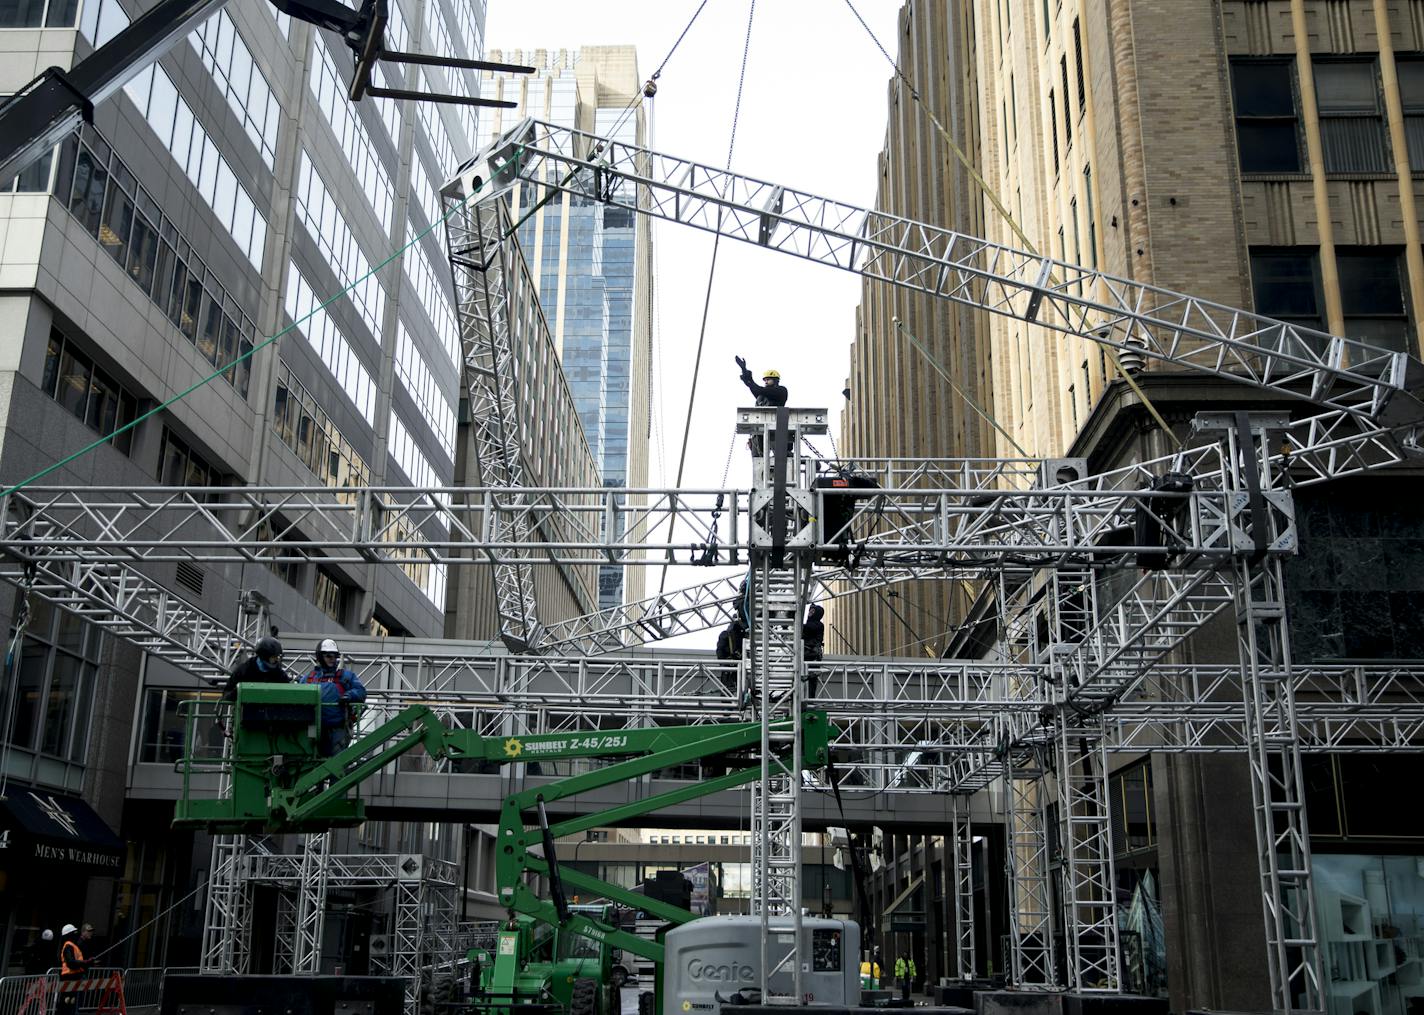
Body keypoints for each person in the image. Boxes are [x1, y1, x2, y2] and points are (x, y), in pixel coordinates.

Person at [298, 639, 367, 757]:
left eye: (335, 656)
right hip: (312, 728)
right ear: (320, 657)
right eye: (328, 656)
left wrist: (349, 695)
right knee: (310, 763)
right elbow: (297, 697)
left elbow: (361, 691)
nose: (332, 659)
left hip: (337, 729)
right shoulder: (308, 678)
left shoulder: (345, 676)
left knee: (337, 765)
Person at [221, 636, 288, 702]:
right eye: (273, 657)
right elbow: (226, 695)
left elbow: (287, 694)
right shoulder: (244, 670)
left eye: (277, 657)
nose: (276, 660)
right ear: (264, 655)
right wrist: (238, 692)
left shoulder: (279, 674)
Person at [57, 924, 91, 1015]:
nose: (76, 934)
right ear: (69, 934)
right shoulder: (68, 946)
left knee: (71, 1000)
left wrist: (85, 962)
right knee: (67, 1000)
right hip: (68, 976)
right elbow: (71, 962)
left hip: (74, 976)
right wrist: (85, 963)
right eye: (74, 932)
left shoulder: (72, 945)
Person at [802, 603, 825, 698]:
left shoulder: (818, 625)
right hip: (806, 655)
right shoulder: (807, 624)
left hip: (812, 657)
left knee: (811, 682)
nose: (810, 612)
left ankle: (809, 700)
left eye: (813, 610)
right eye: (810, 610)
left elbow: (809, 628)